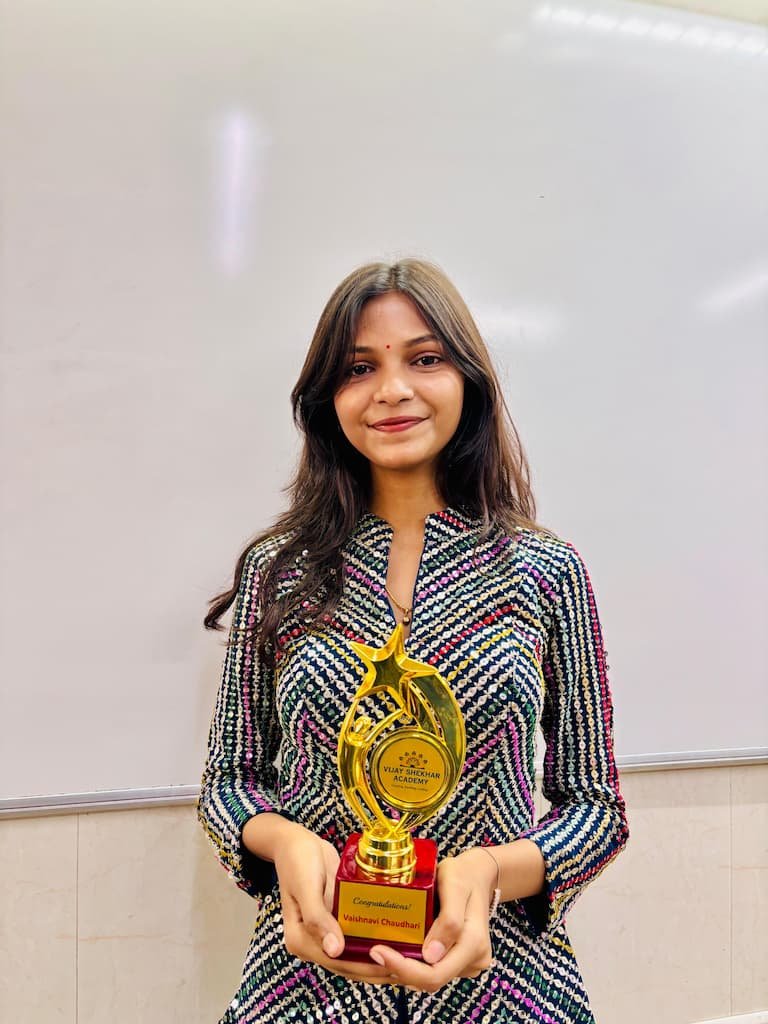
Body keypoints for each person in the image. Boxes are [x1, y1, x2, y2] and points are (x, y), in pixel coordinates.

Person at [198, 258, 630, 1024]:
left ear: (468, 380)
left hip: (505, 986)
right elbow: (229, 782)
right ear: (328, 398)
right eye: (359, 368)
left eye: (425, 359)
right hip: (305, 987)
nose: (392, 389)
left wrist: (490, 871)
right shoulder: (279, 570)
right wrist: (286, 844)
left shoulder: (545, 571)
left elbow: (596, 808)